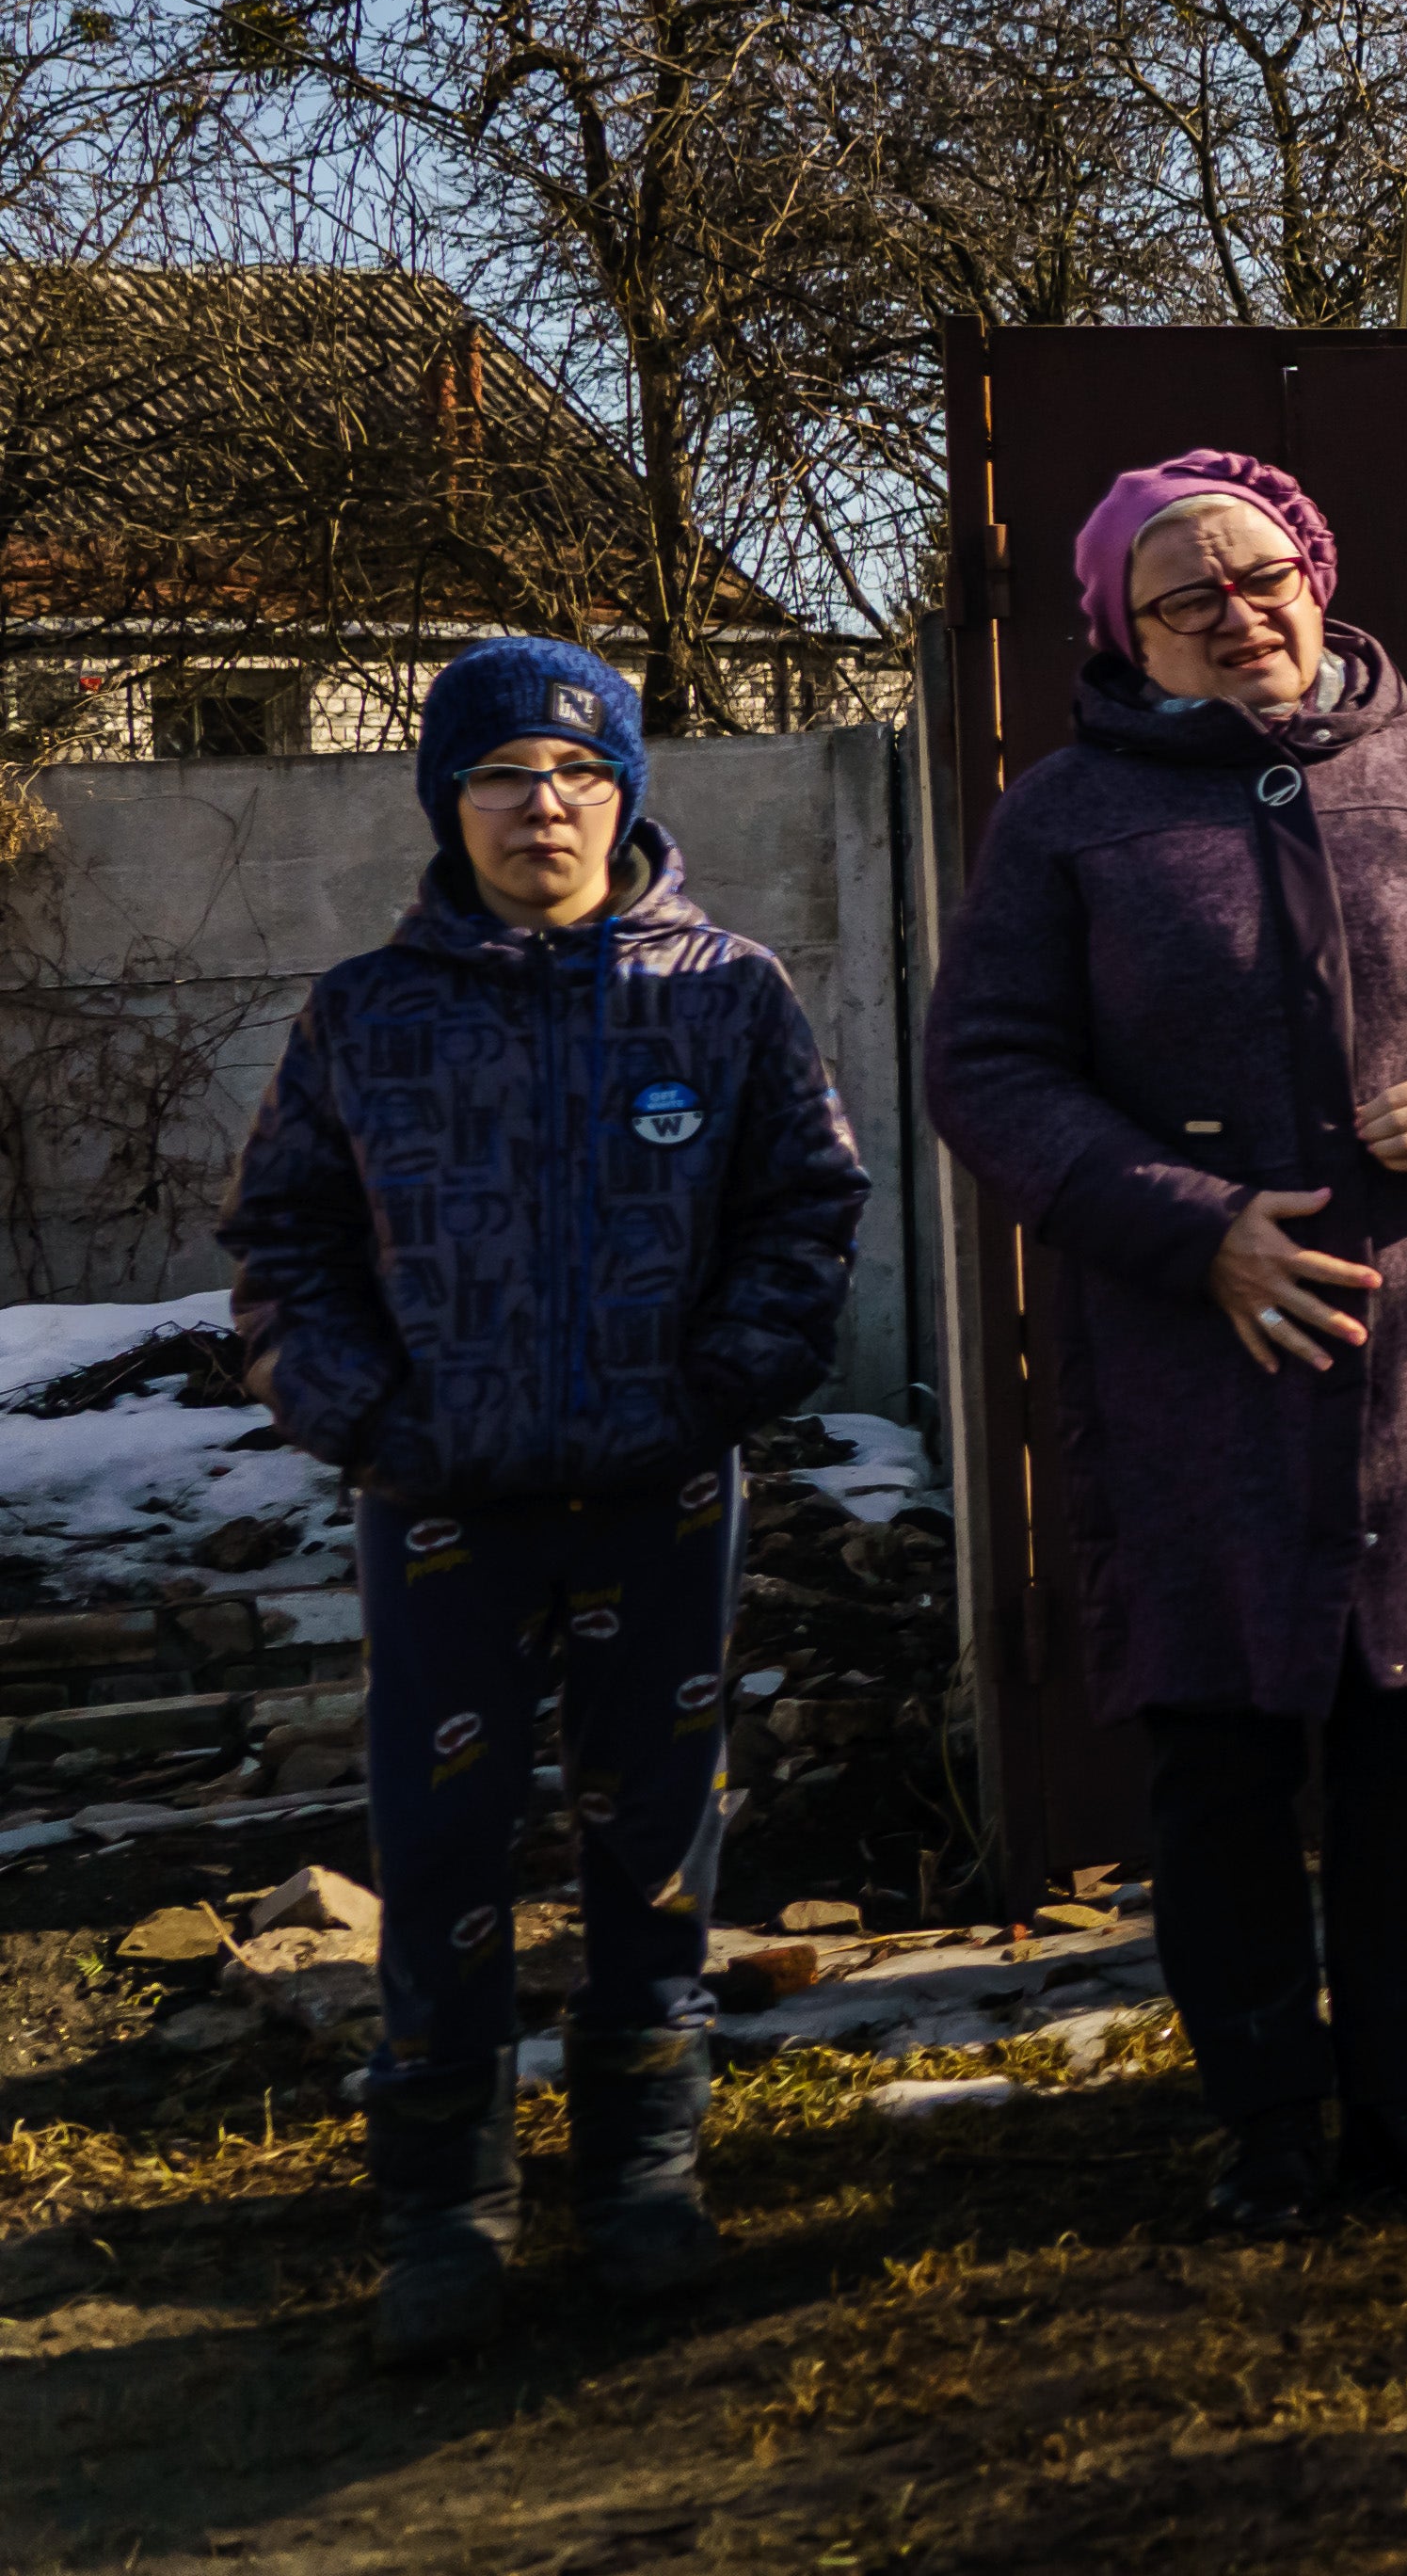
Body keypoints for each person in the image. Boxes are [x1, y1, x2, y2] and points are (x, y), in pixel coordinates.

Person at [925, 450, 1407, 2234]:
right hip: (1200, 1373)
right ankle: (1264, 2121)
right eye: (1188, 599)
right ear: (1126, 634)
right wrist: (1192, 1228)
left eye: (1263, 577)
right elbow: (988, 1069)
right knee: (1224, 1766)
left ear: (1318, 578)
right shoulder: (1064, 816)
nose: (1239, 615)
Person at [223, 635, 871, 2367]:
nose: (543, 805)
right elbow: (280, 1243)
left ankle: (643, 2180)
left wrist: (718, 1388)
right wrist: (367, 1417)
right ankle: (444, 2212)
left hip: (660, 1498)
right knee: (437, 1859)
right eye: (503, 775)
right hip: (442, 1506)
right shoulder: (367, 1013)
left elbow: (805, 1212)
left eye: (578, 774)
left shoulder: (725, 995)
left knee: (654, 1848)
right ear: (450, 802)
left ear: (626, 797)